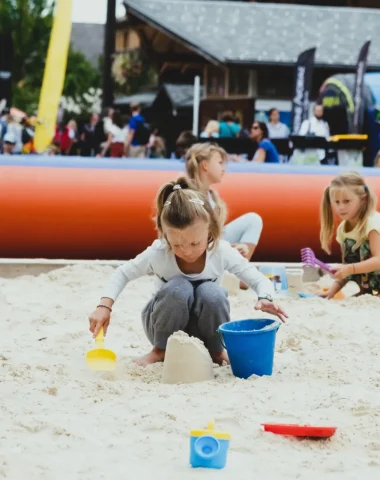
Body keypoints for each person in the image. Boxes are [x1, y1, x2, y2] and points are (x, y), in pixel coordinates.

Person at [88, 177, 287, 367]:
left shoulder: (220, 251)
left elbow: (257, 278)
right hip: (162, 326)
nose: (187, 251)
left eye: (195, 243)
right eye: (177, 244)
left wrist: (265, 296)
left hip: (205, 328)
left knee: (212, 291)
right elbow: (122, 273)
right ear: (165, 235)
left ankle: (215, 350)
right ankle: (160, 350)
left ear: (211, 231)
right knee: (179, 287)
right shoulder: (159, 252)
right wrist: (104, 306)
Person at [185, 143, 263, 263]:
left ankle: (241, 270)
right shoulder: (187, 196)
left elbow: (214, 235)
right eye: (220, 163)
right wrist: (226, 249)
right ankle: (239, 270)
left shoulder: (211, 196)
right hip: (194, 251)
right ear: (205, 165)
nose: (223, 169)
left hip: (212, 245)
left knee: (253, 220)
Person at [320, 172, 380, 298]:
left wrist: (350, 269)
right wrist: (332, 292)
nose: (341, 207)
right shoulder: (343, 228)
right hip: (369, 292)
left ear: (363, 199)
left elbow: (378, 260)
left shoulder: (372, 222)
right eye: (336, 202)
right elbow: (348, 266)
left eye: (346, 201)